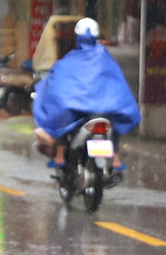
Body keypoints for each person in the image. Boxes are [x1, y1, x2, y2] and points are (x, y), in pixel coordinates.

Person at [32, 17, 140, 171]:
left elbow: (57, 86)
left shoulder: (69, 60)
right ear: (96, 37)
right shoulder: (105, 57)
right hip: (104, 108)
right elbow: (117, 84)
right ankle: (116, 159)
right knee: (113, 121)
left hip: (79, 110)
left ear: (77, 37)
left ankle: (60, 155)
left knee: (61, 115)